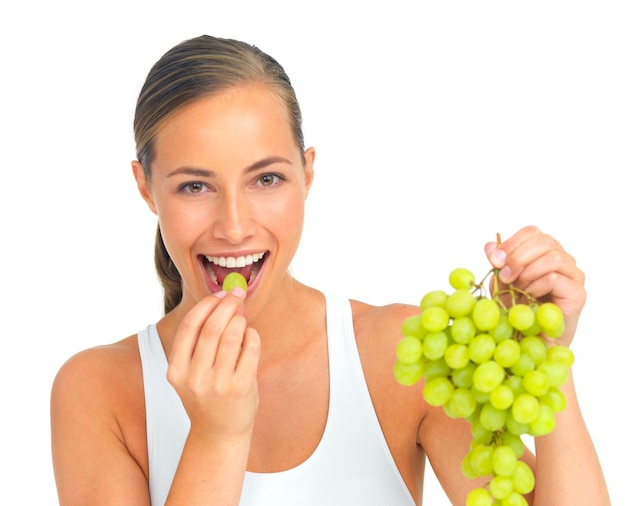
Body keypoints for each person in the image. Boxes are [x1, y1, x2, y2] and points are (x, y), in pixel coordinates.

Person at [50, 35, 609, 505]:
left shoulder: (398, 353)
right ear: (145, 187)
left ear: (307, 173)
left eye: (266, 178)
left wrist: (545, 356)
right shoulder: (98, 391)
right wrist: (218, 437)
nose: (235, 226)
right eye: (195, 186)